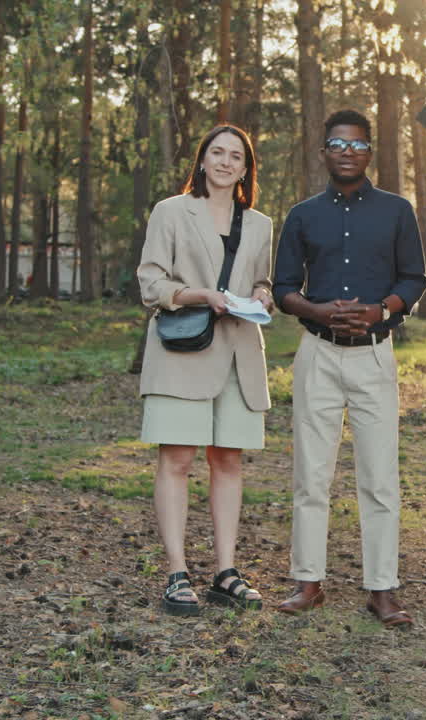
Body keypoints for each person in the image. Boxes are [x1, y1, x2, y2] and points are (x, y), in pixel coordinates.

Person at [272, 109, 426, 628]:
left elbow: (414, 279)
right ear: (324, 152)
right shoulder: (302, 216)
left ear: (369, 153)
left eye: (357, 144)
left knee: (380, 478)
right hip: (317, 353)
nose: (347, 152)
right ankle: (308, 582)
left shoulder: (397, 211)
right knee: (311, 475)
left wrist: (380, 310)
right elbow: (283, 287)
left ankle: (381, 590)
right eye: (338, 144)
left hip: (374, 356)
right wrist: (316, 311)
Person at [137, 124, 274, 615]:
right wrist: (200, 295)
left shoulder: (260, 224)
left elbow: (263, 280)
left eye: (236, 156)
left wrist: (263, 295)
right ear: (202, 159)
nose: (225, 162)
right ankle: (177, 573)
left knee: (228, 461)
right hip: (183, 351)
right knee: (177, 459)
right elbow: (150, 282)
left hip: (239, 353)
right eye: (217, 152)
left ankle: (225, 572)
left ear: (245, 168)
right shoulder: (171, 211)